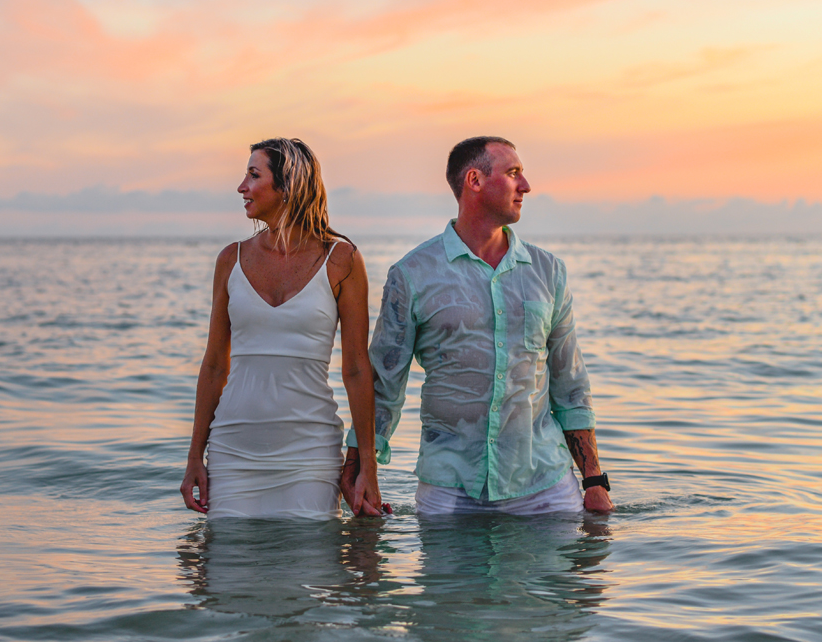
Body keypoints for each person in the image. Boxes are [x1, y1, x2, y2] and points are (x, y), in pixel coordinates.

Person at [341, 136, 614, 515]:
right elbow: (385, 383)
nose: (526, 186)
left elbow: (569, 384)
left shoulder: (548, 272)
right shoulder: (413, 274)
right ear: (475, 181)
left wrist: (594, 481)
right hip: (448, 491)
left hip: (546, 489)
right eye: (513, 173)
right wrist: (358, 468)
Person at [181, 137, 382, 519]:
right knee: (227, 573)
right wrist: (194, 457)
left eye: (253, 175)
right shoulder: (231, 259)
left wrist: (367, 465)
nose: (241, 187)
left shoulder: (342, 260)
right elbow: (213, 366)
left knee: (310, 573)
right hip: (233, 449)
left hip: (310, 451)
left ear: (287, 186)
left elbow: (356, 368)